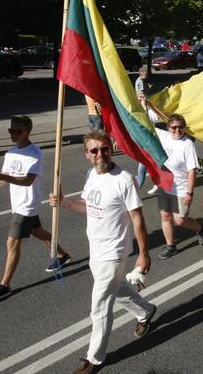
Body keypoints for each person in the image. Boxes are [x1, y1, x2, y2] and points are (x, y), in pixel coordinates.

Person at [49, 130, 157, 374]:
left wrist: (143, 253)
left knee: (99, 306)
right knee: (118, 291)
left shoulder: (124, 179)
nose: (100, 154)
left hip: (114, 252)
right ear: (87, 154)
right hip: (95, 250)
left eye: (104, 148)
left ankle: (94, 358)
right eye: (94, 150)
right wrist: (64, 202)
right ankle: (146, 311)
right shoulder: (92, 175)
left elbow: (137, 219)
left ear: (112, 148)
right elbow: (89, 207)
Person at [0, 115, 71, 302]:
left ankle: (5, 285)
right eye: (11, 130)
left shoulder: (35, 154)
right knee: (37, 231)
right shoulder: (10, 152)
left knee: (12, 242)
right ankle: (62, 255)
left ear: (28, 131)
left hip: (27, 205)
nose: (13, 134)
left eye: (17, 131)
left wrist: (3, 177)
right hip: (17, 204)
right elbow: (0, 180)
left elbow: (28, 180)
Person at [154, 114, 203, 259]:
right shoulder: (164, 136)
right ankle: (171, 246)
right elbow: (144, 124)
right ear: (168, 127)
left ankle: (201, 228)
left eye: (180, 127)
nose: (177, 130)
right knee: (166, 216)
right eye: (174, 127)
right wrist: (143, 103)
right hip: (164, 184)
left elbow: (192, 171)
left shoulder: (187, 145)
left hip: (181, 188)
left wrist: (189, 193)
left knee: (180, 220)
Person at [134, 66, 159, 195]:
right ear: (142, 73)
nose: (147, 75)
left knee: (145, 169)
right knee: (144, 169)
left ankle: (137, 192)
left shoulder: (149, 114)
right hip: (147, 146)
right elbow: (141, 95)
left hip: (149, 146)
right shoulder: (139, 82)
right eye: (146, 73)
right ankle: (137, 191)